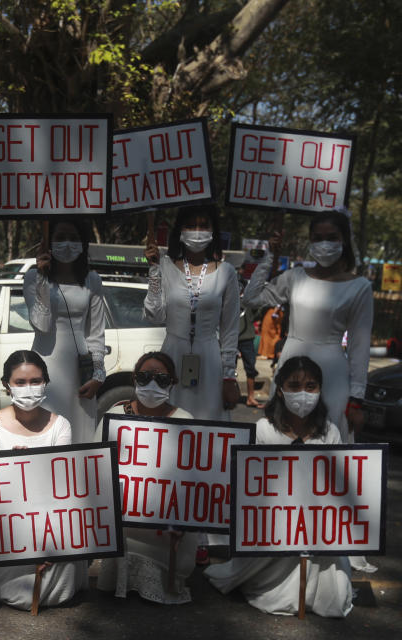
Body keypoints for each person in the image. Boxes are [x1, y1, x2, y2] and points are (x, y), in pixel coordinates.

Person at [205, 356, 352, 617]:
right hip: (272, 527)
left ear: (320, 390)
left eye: (311, 386)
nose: (303, 394)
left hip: (316, 528)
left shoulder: (331, 432)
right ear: (281, 390)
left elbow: (338, 488)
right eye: (294, 386)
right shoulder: (263, 430)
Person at [242, 210, 373, 444]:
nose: (324, 244)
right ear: (310, 241)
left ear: (344, 240)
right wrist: (269, 256)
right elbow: (251, 299)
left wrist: (356, 400)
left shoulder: (360, 287)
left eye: (332, 237)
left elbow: (359, 348)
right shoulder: (294, 277)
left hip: (332, 374)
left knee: (329, 439)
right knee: (280, 434)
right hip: (290, 365)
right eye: (318, 237)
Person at [0, 350, 84, 610]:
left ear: (45, 382)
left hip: (49, 523)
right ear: (6, 385)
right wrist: (10, 472)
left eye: (35, 381)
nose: (28, 388)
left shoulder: (61, 425)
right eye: (20, 382)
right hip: (5, 526)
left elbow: (62, 488)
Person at [96, 351, 199, 604]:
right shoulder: (115, 415)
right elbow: (95, 465)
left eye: (161, 379)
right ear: (134, 379)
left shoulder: (186, 421)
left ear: (173, 382)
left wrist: (182, 522)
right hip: (123, 518)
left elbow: (195, 481)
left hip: (166, 525)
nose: (152, 385)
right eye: (144, 377)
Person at [144, 205, 240, 421]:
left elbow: (230, 329)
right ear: (180, 230)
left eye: (203, 225)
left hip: (209, 358)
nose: (197, 230)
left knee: (207, 424)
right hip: (172, 356)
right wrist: (154, 272)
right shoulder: (165, 266)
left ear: (213, 230)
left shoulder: (227, 272)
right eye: (190, 225)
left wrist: (229, 376)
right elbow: (155, 315)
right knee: (169, 421)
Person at [24, 218, 107, 443]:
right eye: (60, 238)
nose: (67, 244)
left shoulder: (92, 280)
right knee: (47, 431)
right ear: (48, 243)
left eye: (73, 238)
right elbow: (41, 326)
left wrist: (99, 374)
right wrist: (42, 278)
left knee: (80, 432)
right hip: (46, 363)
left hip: (82, 369)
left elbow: (96, 332)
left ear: (83, 243)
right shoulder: (33, 278)